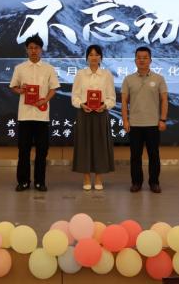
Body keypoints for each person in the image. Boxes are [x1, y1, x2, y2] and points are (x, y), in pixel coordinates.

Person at [9, 34, 60, 192]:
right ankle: (23, 181)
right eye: (30, 48)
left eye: (36, 48)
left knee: (42, 151)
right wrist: (20, 90)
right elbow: (13, 87)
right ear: (26, 50)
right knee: (23, 150)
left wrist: (45, 100)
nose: (33, 51)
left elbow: (53, 88)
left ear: (41, 50)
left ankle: (40, 182)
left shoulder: (48, 68)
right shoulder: (20, 68)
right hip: (25, 115)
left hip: (41, 116)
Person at [121, 46, 168, 193]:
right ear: (135, 60)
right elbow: (124, 102)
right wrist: (125, 120)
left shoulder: (159, 79)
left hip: (153, 124)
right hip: (134, 124)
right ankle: (136, 182)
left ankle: (154, 182)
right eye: (139, 58)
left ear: (150, 60)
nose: (142, 60)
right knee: (135, 156)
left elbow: (164, 100)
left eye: (145, 57)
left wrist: (163, 119)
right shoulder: (128, 79)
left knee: (154, 155)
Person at [71, 44, 116, 190]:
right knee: (84, 145)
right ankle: (85, 177)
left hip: (101, 113)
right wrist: (81, 104)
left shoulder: (107, 75)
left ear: (101, 57)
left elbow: (112, 98)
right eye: (91, 54)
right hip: (84, 113)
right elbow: (75, 97)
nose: (94, 57)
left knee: (100, 145)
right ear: (87, 58)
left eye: (97, 54)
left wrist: (105, 105)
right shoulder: (80, 74)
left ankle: (98, 178)